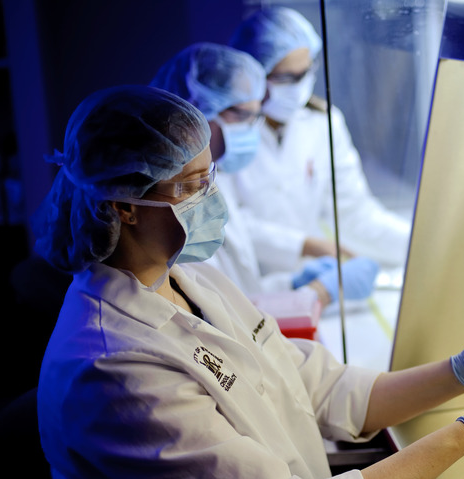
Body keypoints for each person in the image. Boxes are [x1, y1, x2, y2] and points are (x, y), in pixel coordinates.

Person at [33, 84, 464, 479]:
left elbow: (321, 388)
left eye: (210, 178)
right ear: (123, 205)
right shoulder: (112, 368)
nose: (213, 200)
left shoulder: (189, 280)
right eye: (192, 187)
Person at [151, 41, 377, 307]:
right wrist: (318, 294)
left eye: (257, 116)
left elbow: (239, 291)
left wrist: (292, 285)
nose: (253, 130)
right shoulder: (170, 202)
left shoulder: (211, 181)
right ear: (194, 112)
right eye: (245, 116)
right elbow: (216, 318)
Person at [226, 6, 411, 285]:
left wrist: (418, 244)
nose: (300, 87)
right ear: (252, 75)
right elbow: (227, 224)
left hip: (311, 279)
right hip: (248, 282)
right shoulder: (227, 132)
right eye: (286, 78)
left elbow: (356, 213)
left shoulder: (323, 122)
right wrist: (304, 244)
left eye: (306, 72)